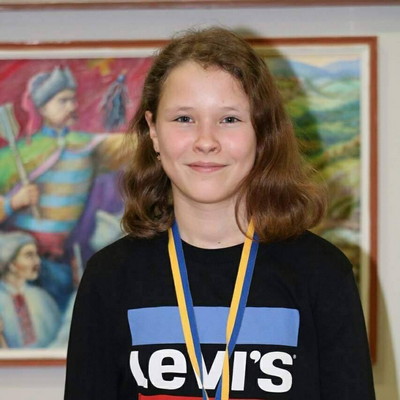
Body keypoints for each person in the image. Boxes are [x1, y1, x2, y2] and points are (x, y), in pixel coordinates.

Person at [65, 28, 375, 400]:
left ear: (261, 131)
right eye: (184, 119)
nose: (206, 141)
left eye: (229, 119)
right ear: (154, 131)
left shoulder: (322, 273)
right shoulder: (109, 276)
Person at [0, 66, 124, 308]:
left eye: (73, 100)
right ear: (42, 107)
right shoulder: (13, 156)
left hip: (60, 264)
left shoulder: (87, 146)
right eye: (63, 101)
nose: (72, 106)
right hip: (17, 265)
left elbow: (130, 147)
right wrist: (12, 203)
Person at [0, 231, 61, 348]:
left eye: (36, 255)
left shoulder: (42, 297)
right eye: (29, 256)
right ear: (11, 264)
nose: (37, 261)